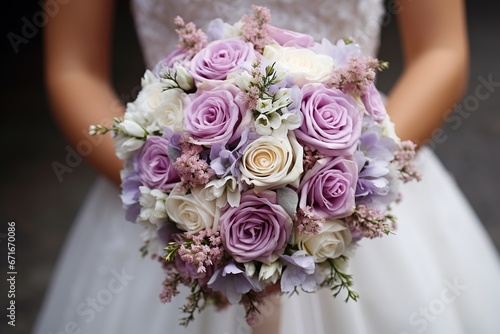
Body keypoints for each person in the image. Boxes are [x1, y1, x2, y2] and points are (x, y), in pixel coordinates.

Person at [34, 0, 500, 333]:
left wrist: (352, 178)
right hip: (174, 201)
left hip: (356, 186)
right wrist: (177, 192)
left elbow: (443, 51)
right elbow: (73, 69)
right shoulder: (178, 194)